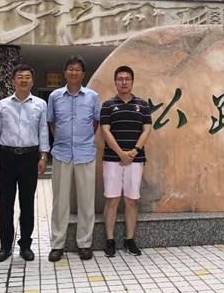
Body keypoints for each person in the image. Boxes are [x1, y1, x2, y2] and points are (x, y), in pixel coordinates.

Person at [0, 64, 50, 263]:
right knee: (5, 204)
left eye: (27, 77)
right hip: (6, 157)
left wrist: (43, 157)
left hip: (30, 158)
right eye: (20, 77)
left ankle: (25, 245)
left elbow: (43, 131)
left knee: (27, 203)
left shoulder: (40, 104)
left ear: (32, 81)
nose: (24, 80)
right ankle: (5, 247)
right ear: (13, 81)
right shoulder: (2, 105)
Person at [47, 56, 101, 262]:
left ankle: (84, 244)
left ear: (83, 74)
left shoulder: (93, 97)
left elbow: (95, 123)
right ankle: (57, 244)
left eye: (78, 69)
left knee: (86, 201)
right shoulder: (54, 96)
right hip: (61, 153)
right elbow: (52, 123)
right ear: (65, 72)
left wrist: (82, 140)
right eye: (70, 69)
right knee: (60, 201)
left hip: (85, 153)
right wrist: (63, 140)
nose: (74, 72)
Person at [100, 65, 152, 257]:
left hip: (135, 160)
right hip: (112, 159)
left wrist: (134, 151)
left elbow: (147, 130)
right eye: (120, 79)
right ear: (115, 82)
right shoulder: (107, 105)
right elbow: (105, 131)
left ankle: (130, 240)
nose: (124, 82)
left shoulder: (143, 105)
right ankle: (110, 240)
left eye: (127, 79)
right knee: (112, 199)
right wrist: (121, 153)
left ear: (132, 81)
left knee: (131, 200)